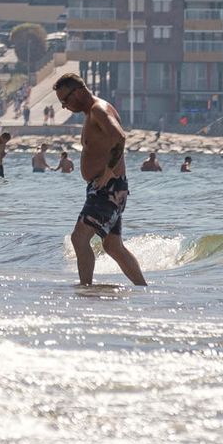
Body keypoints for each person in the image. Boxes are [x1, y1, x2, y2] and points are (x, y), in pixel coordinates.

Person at [54, 73, 146, 287]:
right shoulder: (92, 112)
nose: (64, 106)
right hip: (108, 188)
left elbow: (119, 137)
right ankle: (142, 289)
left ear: (78, 92)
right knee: (113, 246)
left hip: (108, 189)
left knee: (79, 238)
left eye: (65, 100)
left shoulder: (98, 110)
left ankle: (85, 290)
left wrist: (107, 172)